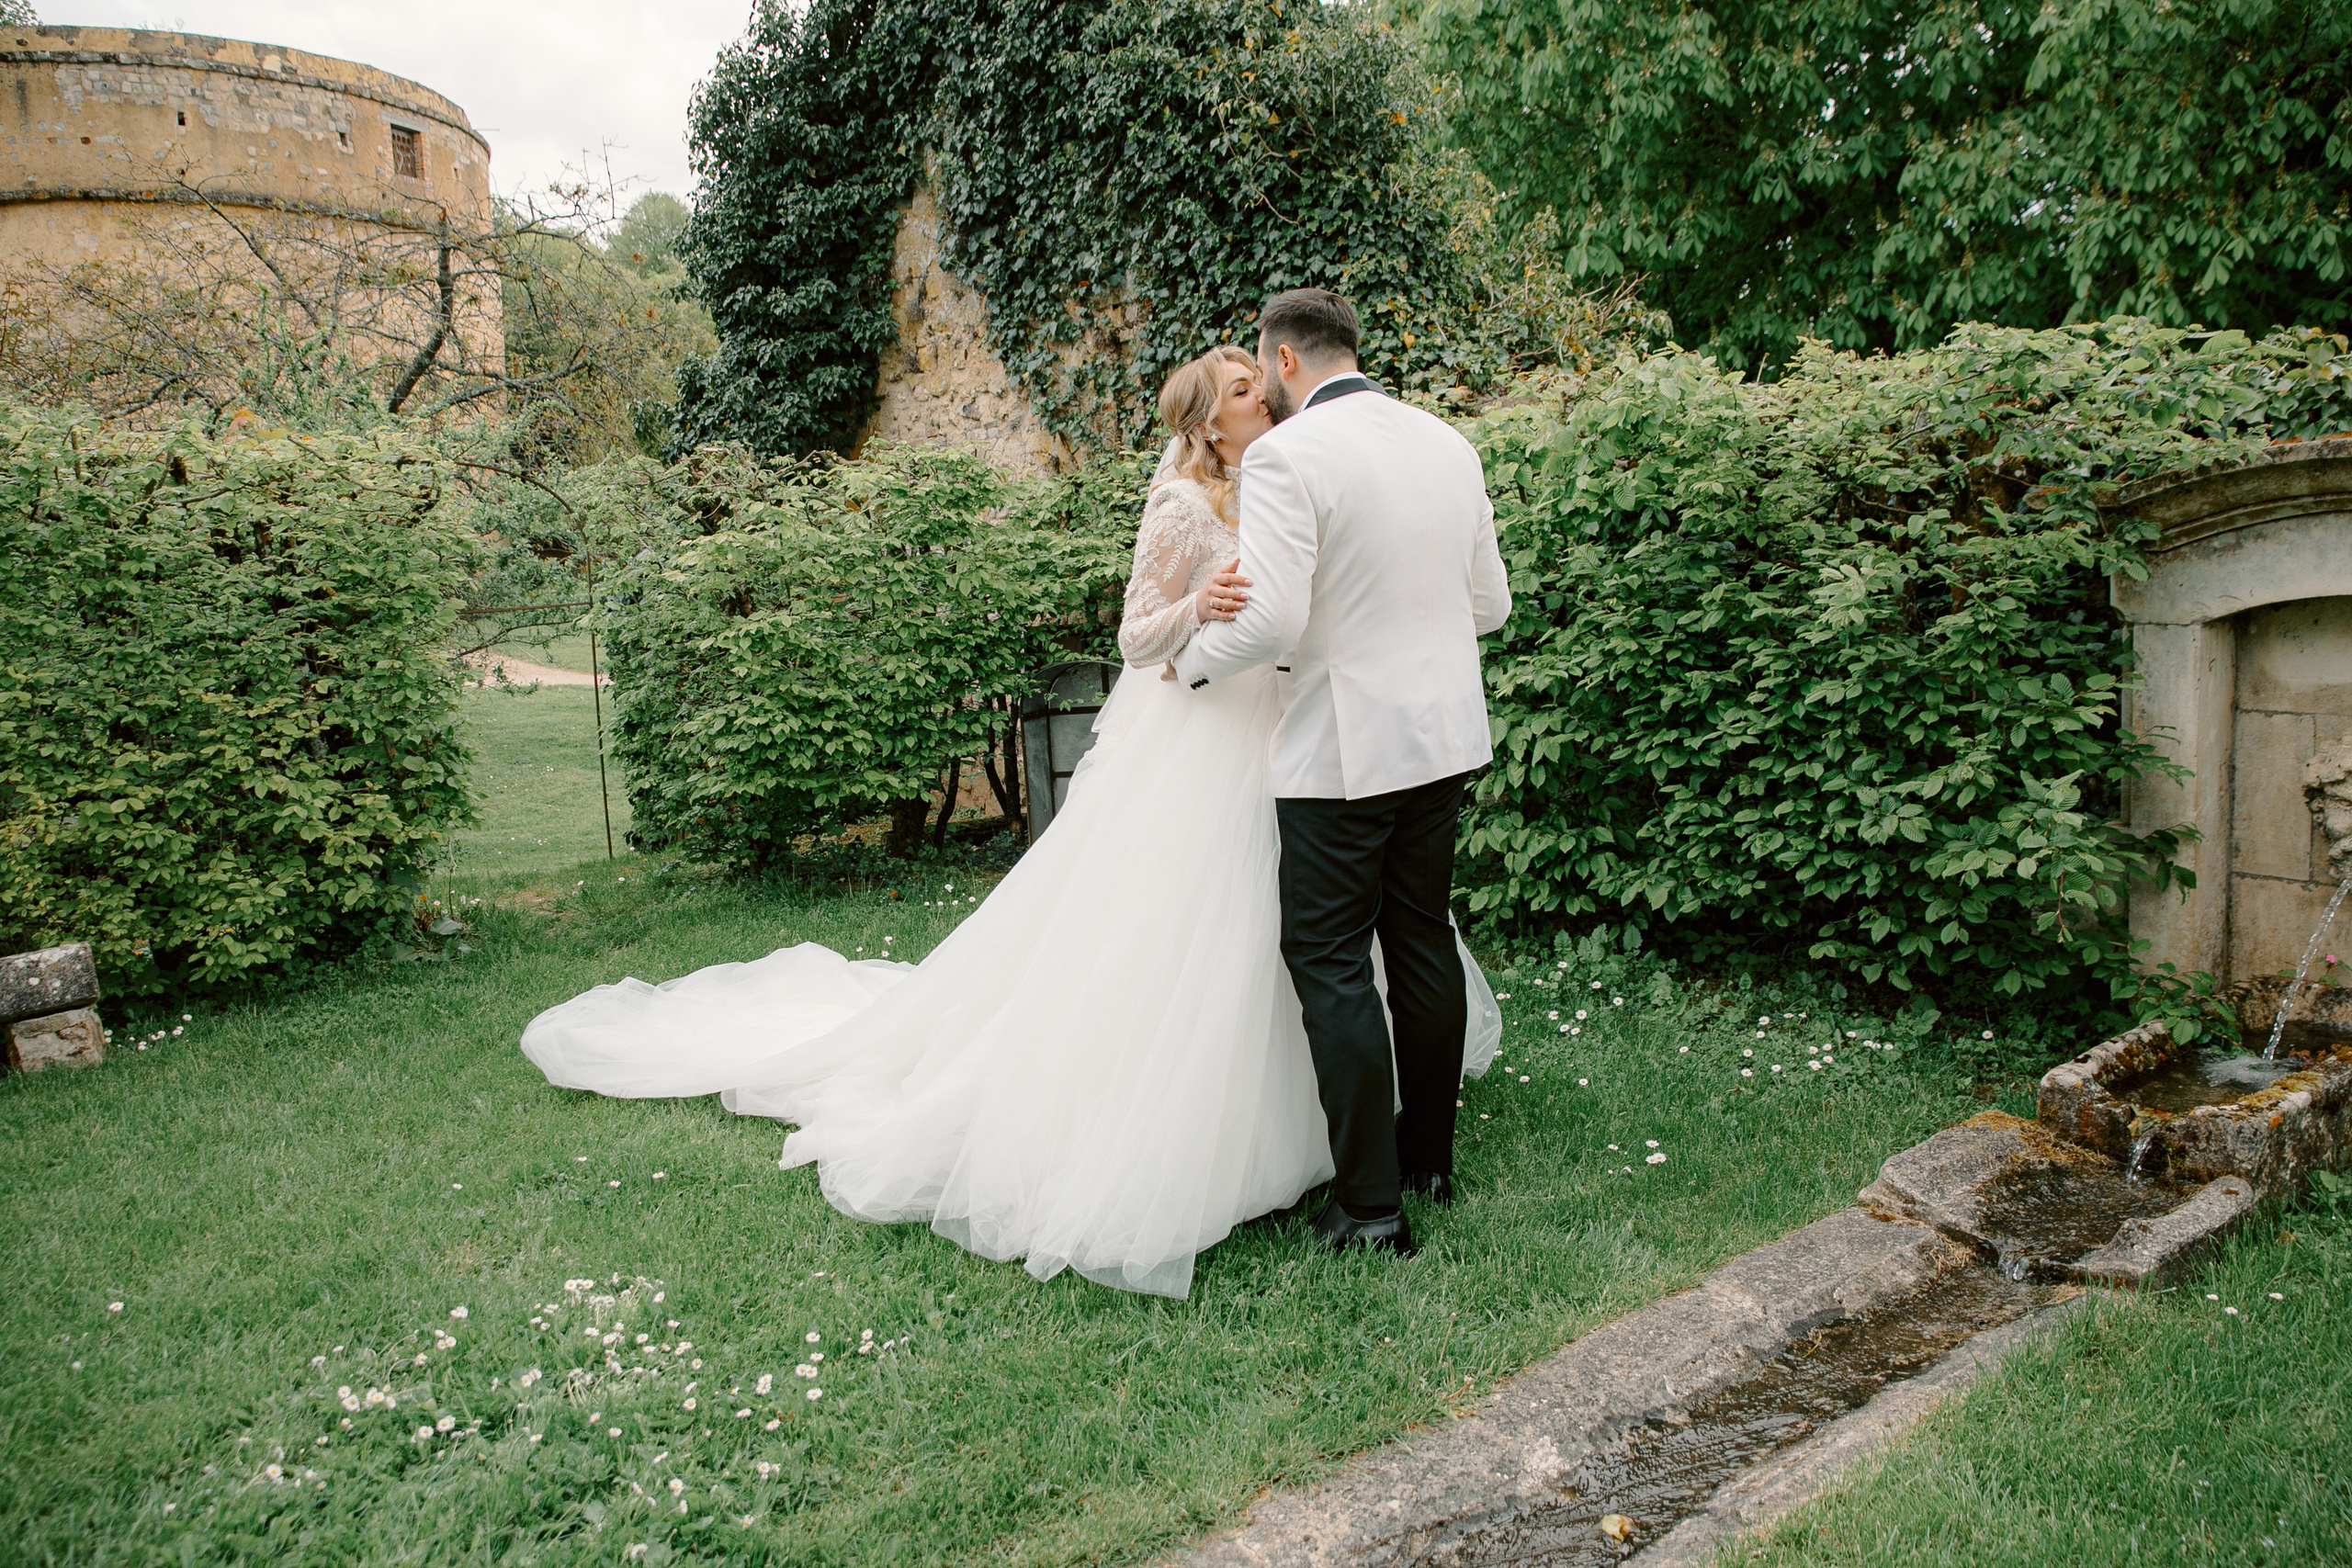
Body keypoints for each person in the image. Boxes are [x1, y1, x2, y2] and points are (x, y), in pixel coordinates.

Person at [517, 343, 1499, 1299]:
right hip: (1212, 736)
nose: (1261, 397)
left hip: (1285, 734)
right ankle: (1217, 1129)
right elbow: (1135, 632)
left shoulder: (1285, 479)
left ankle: (1322, 1142)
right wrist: (1200, 603)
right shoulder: (1181, 504)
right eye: (1241, 389)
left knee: (1288, 943)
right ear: (1206, 420)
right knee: (1214, 934)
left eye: (1258, 378)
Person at [1173, 288, 1511, 1258]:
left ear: (1282, 362)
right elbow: (1487, 606)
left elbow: (1273, 621)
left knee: (1329, 964)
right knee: (1419, 941)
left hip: (1341, 752)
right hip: (1442, 741)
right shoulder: (1447, 443)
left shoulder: (1288, 454)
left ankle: (1368, 1208)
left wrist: (1192, 663)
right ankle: (1427, 1163)